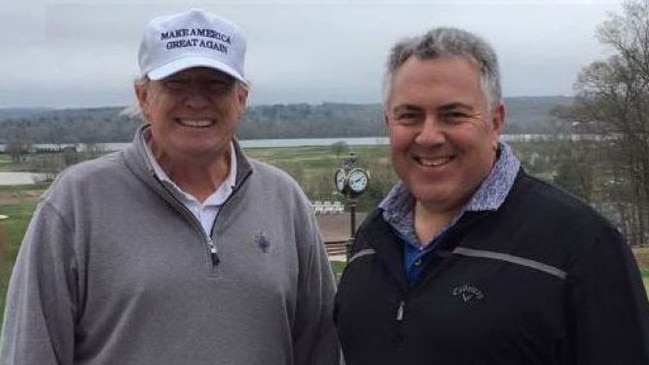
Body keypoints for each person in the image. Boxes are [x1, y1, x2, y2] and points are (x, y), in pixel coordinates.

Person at [0, 9, 339, 365]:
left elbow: (322, 348)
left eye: (216, 84)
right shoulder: (76, 202)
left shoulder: (284, 200)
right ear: (143, 96)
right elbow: (30, 351)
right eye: (176, 84)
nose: (196, 100)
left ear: (241, 98)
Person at [334, 27, 649, 364]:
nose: (428, 136)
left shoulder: (582, 246)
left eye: (453, 114)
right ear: (388, 123)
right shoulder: (372, 240)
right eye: (409, 116)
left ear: (496, 121)